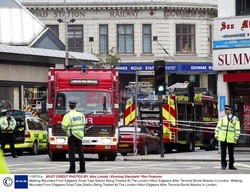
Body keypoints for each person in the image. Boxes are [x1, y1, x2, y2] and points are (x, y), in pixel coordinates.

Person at [61, 100, 86, 173]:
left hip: (72, 135)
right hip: (80, 135)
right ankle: (82, 168)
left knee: (71, 152)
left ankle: (72, 168)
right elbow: (84, 124)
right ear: (75, 106)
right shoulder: (81, 115)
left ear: (69, 106)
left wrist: (67, 131)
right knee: (80, 152)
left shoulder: (67, 116)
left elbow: (64, 126)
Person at [215, 105, 240, 170]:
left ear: (230, 110)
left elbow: (237, 129)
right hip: (223, 138)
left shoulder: (235, 119)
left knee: (231, 153)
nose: (225, 111)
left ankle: (231, 165)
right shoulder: (222, 118)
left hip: (231, 138)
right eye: (225, 110)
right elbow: (218, 127)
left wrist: (236, 137)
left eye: (226, 110)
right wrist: (216, 134)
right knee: (223, 153)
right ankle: (223, 165)